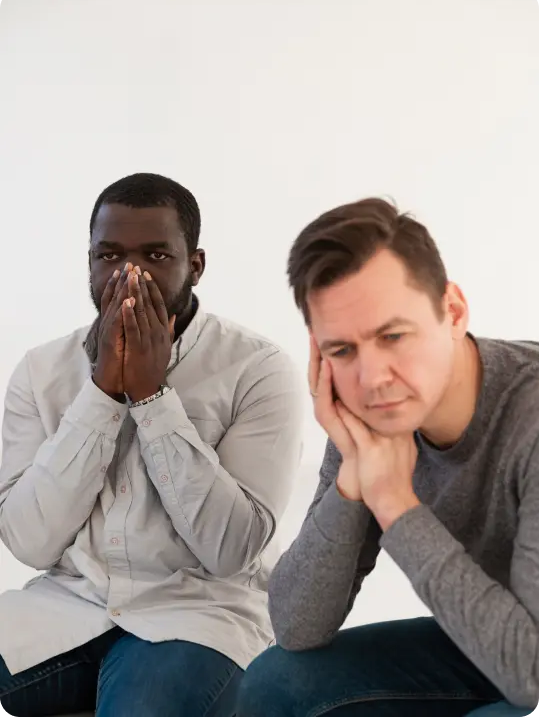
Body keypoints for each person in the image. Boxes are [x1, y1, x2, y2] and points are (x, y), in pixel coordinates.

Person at [0, 172, 304, 717]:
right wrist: (101, 393)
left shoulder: (258, 369)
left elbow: (231, 550)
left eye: (156, 255)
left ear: (196, 265)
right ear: (89, 262)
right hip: (65, 607)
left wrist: (151, 398)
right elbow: (29, 543)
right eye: (110, 255)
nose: (129, 274)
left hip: (199, 616)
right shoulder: (41, 370)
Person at [236, 198, 537, 716]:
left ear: (453, 312)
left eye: (392, 336)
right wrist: (353, 478)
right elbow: (296, 627)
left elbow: (531, 673)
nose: (372, 378)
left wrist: (395, 503)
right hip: (493, 639)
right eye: (342, 350)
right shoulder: (370, 411)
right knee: (275, 685)